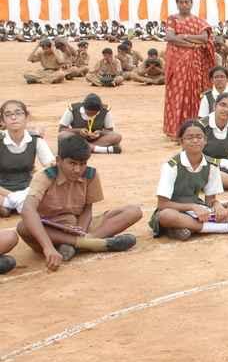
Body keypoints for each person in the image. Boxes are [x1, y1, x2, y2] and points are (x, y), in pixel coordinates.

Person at [15, 135, 139, 268]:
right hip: (51, 231)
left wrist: (81, 230)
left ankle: (80, 244)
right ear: (59, 160)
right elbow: (28, 209)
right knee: (23, 227)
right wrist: (48, 247)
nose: (77, 170)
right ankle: (93, 244)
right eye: (72, 163)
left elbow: (87, 209)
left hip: (78, 226)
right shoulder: (45, 176)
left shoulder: (90, 175)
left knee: (133, 211)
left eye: (82, 164)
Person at [149, 120, 228, 240]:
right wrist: (192, 207)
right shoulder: (172, 166)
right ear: (181, 142)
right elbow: (162, 204)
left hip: (199, 212)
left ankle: (188, 227)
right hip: (175, 209)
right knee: (166, 216)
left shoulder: (211, 165)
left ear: (205, 140)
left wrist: (217, 205)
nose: (195, 140)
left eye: (199, 137)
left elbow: (210, 200)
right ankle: (223, 228)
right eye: (189, 137)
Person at [162, 0, 215, 139]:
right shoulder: (172, 19)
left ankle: (194, 129)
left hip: (195, 64)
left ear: (191, 3)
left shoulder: (199, 21)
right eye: (181, 2)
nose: (184, 5)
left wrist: (184, 36)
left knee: (195, 94)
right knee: (177, 94)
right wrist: (191, 44)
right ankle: (176, 129)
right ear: (177, 4)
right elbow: (170, 37)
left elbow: (204, 38)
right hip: (177, 64)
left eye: (186, 2)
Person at [0, 100, 56, 217]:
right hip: (2, 191)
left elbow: (51, 165)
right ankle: (16, 204)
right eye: (8, 114)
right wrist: (11, 195)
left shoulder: (35, 140)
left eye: (18, 113)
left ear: (27, 117)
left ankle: (12, 205)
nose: (13, 117)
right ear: (2, 121)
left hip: (28, 189)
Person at [58, 93, 122, 154]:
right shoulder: (72, 109)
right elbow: (61, 129)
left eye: (94, 113)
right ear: (84, 108)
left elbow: (110, 131)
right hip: (78, 138)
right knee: (62, 135)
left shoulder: (105, 111)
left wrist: (100, 133)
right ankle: (100, 149)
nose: (91, 115)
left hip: (97, 140)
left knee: (117, 136)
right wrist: (78, 131)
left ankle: (84, 148)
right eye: (89, 113)